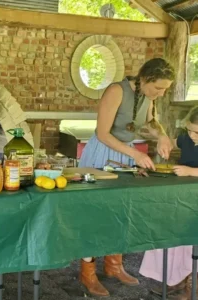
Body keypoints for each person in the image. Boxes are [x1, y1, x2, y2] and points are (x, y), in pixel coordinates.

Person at [78, 58, 175, 297]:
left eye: (165, 89)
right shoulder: (116, 91)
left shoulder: (148, 96)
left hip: (126, 158)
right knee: (96, 214)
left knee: (122, 211)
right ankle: (87, 272)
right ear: (144, 79)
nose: (161, 93)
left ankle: (113, 265)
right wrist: (134, 153)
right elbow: (102, 133)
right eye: (159, 88)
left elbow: (150, 123)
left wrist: (161, 135)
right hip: (102, 154)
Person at [140, 106, 198, 300]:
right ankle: (176, 278)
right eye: (189, 129)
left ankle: (193, 286)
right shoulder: (187, 139)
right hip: (183, 198)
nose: (191, 135)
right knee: (173, 234)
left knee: (193, 240)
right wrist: (163, 142)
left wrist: (192, 172)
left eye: (196, 132)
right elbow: (171, 142)